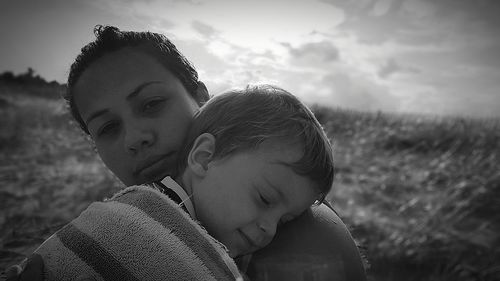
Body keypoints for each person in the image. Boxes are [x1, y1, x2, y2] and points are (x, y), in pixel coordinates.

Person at [6, 25, 366, 280]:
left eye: (152, 104)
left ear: (200, 97)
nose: (135, 138)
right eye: (108, 128)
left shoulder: (303, 238)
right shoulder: (130, 219)